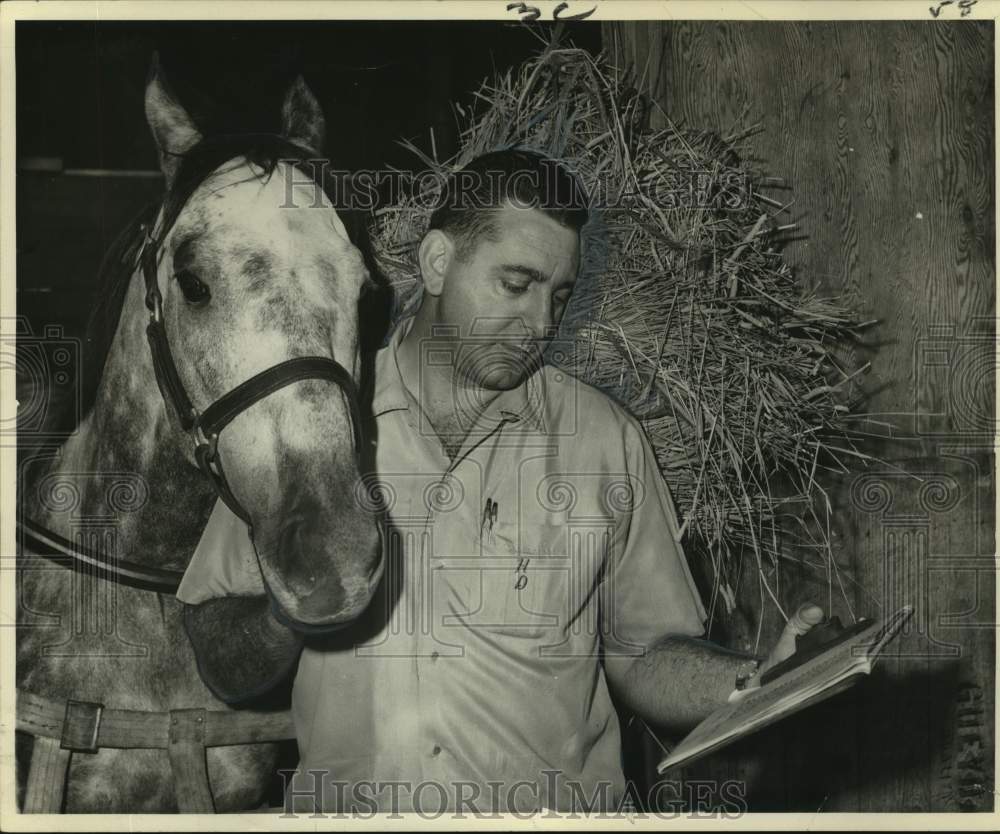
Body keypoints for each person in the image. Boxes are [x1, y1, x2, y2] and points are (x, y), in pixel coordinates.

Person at [178, 149, 824, 814]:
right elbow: (221, 661)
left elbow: (644, 653)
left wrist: (753, 681)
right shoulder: (312, 420)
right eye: (516, 285)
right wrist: (289, 608)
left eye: (559, 295)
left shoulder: (604, 438)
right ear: (436, 263)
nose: (542, 325)